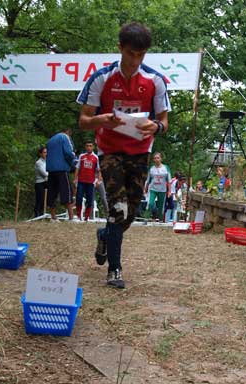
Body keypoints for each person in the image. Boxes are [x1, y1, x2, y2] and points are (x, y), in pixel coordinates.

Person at [77, 22, 170, 289]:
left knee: (131, 212)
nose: (135, 60)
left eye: (141, 55)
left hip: (141, 152)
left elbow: (164, 120)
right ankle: (115, 269)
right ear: (120, 49)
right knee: (118, 208)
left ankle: (105, 235)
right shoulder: (101, 78)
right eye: (131, 53)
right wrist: (102, 120)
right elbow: (84, 120)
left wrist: (157, 126)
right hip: (110, 150)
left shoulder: (155, 81)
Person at [46, 127, 76, 221]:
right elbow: (68, 152)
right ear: (68, 132)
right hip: (62, 168)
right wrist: (73, 161)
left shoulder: (50, 140)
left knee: (52, 192)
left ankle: (53, 217)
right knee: (67, 191)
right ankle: (71, 217)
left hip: (51, 169)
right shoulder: (64, 137)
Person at [74, 141, 101, 221]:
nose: (89, 147)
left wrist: (98, 180)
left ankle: (86, 217)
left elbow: (99, 170)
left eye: (90, 146)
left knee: (89, 200)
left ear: (93, 147)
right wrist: (75, 179)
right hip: (81, 181)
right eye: (87, 146)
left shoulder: (96, 157)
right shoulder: (82, 156)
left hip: (90, 182)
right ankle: (79, 215)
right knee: (78, 198)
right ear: (85, 147)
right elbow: (77, 167)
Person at [145, 152, 171, 221]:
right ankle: (146, 218)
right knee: (150, 203)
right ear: (153, 159)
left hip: (162, 190)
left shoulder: (166, 168)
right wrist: (145, 189)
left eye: (158, 158)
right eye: (155, 158)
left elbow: (169, 181)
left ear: (161, 159)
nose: (156, 159)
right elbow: (148, 180)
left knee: (160, 206)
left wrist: (169, 191)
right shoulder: (151, 168)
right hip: (152, 189)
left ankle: (160, 219)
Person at [34, 146, 48, 217]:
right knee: (39, 199)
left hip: (46, 182)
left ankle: (42, 215)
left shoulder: (47, 161)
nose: (46, 154)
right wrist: (51, 173)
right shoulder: (38, 163)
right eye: (44, 152)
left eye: (46, 152)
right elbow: (44, 174)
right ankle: (37, 215)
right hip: (39, 183)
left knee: (44, 201)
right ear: (40, 154)